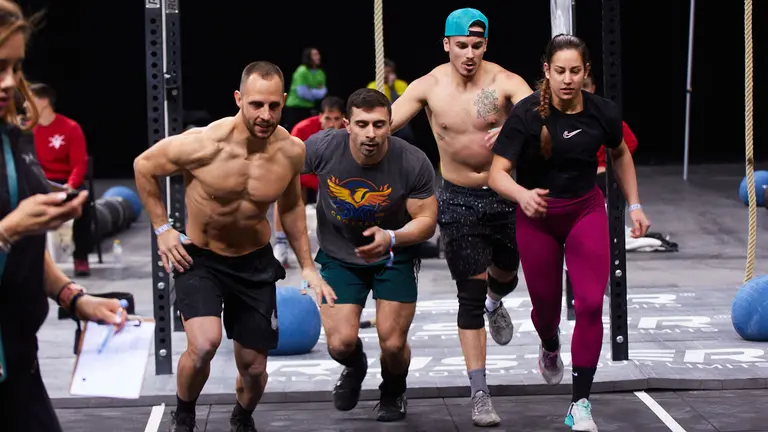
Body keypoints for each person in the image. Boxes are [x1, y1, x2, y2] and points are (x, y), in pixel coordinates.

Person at [133, 61, 336, 432]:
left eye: (274, 106)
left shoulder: (290, 151)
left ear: (284, 101)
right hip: (202, 258)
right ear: (239, 99)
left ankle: (241, 418)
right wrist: (163, 228)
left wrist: (307, 265)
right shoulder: (203, 143)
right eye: (256, 104)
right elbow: (144, 166)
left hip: (254, 263)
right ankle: (185, 415)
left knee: (255, 369)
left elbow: (290, 207)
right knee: (205, 344)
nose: (265, 115)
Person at [487, 34, 650, 431]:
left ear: (585, 72)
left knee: (592, 304)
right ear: (547, 71)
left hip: (585, 211)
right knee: (547, 312)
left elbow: (620, 153)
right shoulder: (526, 115)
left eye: (575, 71)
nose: (567, 79)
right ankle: (549, 344)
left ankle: (580, 405)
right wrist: (522, 195)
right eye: (559, 71)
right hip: (537, 216)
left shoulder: (602, 112)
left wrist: (634, 204)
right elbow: (496, 174)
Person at [389, 8, 532, 426]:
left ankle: (496, 301)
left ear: (485, 45)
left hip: (505, 194)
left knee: (507, 275)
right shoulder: (429, 86)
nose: (469, 53)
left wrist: (513, 131)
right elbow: (386, 123)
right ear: (447, 44)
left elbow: (543, 119)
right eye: (461, 45)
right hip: (458, 200)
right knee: (467, 299)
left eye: (477, 45)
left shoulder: (503, 82)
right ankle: (480, 393)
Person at [0, 3, 127, 431]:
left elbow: (25, 252)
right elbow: (9, 234)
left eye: (15, 67)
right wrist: (9, 228)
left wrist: (74, 298)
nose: (8, 83)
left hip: (18, 359)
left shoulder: (13, 135)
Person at [304, 88, 437, 422]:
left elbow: (426, 222)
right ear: (347, 124)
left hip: (394, 255)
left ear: (390, 124)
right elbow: (274, 164)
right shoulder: (321, 147)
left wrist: (392, 237)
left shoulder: (411, 160)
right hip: (338, 255)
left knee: (393, 346)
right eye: (362, 124)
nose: (371, 133)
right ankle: (355, 365)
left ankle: (393, 390)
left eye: (379, 125)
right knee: (340, 343)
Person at [25, 82, 93, 276]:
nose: (25, 106)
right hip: (37, 181)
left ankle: (81, 257)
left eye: (30, 101)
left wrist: (70, 186)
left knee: (83, 204)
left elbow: (79, 163)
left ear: (44, 102)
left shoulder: (70, 128)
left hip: (64, 182)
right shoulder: (26, 130)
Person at [273, 95, 345, 267]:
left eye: (336, 119)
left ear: (343, 119)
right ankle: (281, 243)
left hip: (334, 178)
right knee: (286, 188)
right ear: (319, 116)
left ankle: (343, 242)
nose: (331, 124)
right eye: (327, 118)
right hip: (305, 175)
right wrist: (320, 184)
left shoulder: (348, 132)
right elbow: (292, 167)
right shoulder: (302, 130)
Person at [582, 74, 639, 196]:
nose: (581, 90)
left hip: (599, 178)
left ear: (593, 88)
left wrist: (608, 167)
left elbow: (631, 142)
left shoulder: (603, 115)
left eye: (585, 86)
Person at [366, 58, 415, 144]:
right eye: (383, 71)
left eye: (388, 72)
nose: (385, 74)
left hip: (400, 121)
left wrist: (392, 88)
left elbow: (402, 106)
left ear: (393, 72)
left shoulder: (401, 85)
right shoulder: (372, 86)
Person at [283, 47, 327, 131]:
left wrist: (310, 90)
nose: (318, 57)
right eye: (315, 55)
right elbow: (302, 93)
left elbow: (323, 92)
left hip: (309, 108)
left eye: (318, 54)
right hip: (295, 107)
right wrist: (315, 91)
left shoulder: (320, 73)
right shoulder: (302, 71)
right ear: (308, 57)